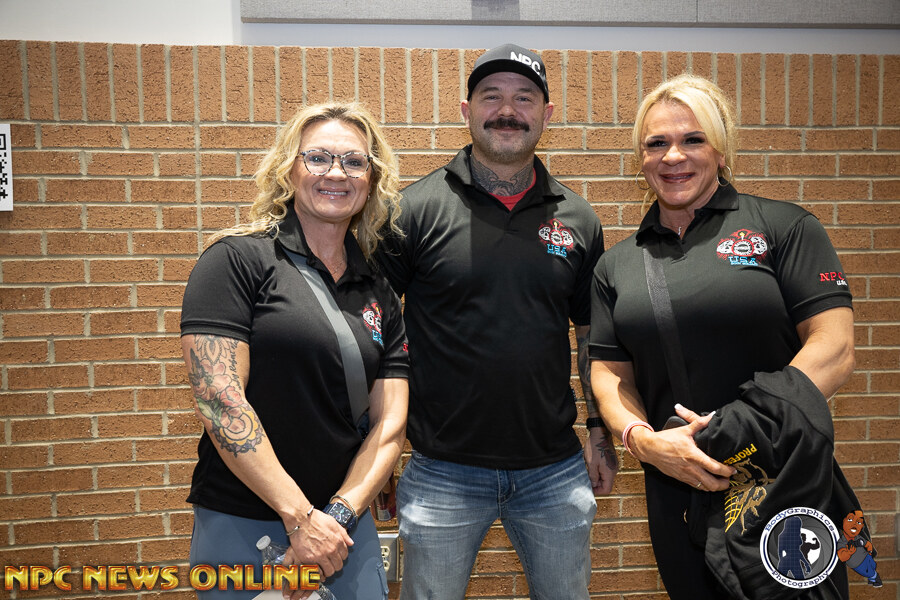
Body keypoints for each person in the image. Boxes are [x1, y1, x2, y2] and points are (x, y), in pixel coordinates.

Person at [589, 74, 855, 599]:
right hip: (676, 485)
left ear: (721, 149)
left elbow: (835, 347)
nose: (673, 156)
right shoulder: (616, 266)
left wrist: (740, 423)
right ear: (640, 159)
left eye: (693, 139)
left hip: (781, 477)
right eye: (656, 143)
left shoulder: (784, 228)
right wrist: (643, 441)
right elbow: (609, 374)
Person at [374, 44, 618, 600]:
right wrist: (379, 446)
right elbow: (379, 336)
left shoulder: (578, 218)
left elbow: (591, 336)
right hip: (441, 470)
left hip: (555, 471)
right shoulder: (412, 211)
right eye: (492, 97)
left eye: (524, 98)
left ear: (546, 115)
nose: (507, 111)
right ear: (466, 110)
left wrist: (598, 429)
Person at [180, 102, 409, 600]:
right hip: (243, 521)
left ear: (371, 179)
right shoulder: (236, 261)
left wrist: (335, 517)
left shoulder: (377, 290)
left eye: (354, 162)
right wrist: (301, 518)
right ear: (288, 168)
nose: (336, 173)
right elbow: (221, 403)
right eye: (318, 157)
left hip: (343, 530)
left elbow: (390, 426)